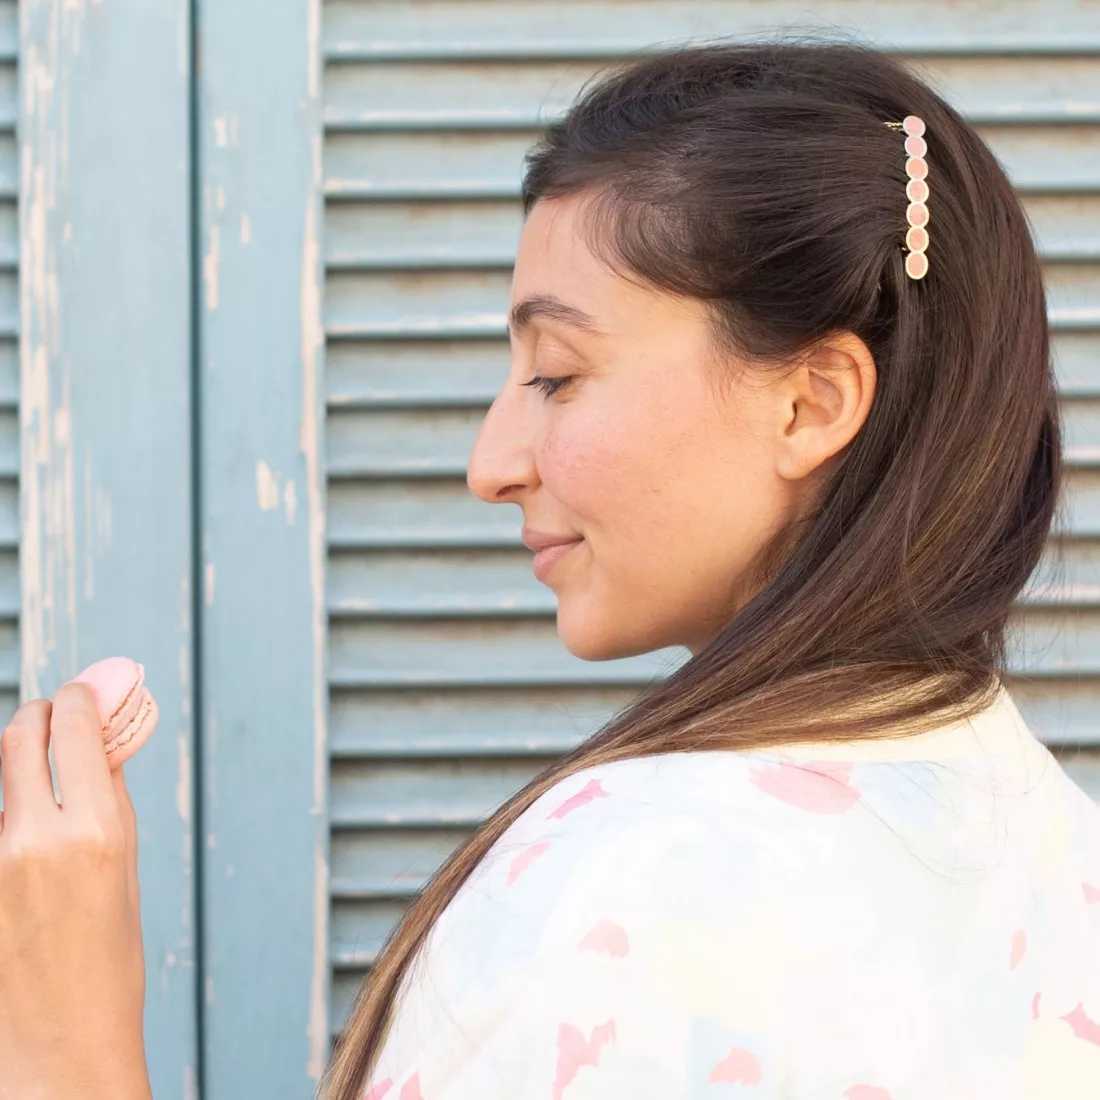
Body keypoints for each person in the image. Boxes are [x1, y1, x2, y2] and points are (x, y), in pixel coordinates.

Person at [1, 37, 1097, 1100]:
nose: (489, 465)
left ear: (809, 403)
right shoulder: (1057, 849)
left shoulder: (622, 884)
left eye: (557, 375)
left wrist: (64, 1051)